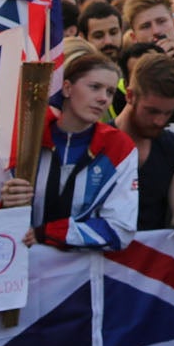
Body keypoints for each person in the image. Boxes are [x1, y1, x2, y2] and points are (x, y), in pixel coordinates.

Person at [31, 51, 138, 249]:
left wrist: (50, 233)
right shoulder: (29, 138)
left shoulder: (119, 147)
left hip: (81, 273)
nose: (103, 99)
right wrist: (7, 203)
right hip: (22, 270)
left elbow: (121, 229)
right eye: (95, 87)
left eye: (110, 92)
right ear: (67, 88)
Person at [116, 52, 174, 230]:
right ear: (130, 96)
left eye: (168, 113)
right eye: (152, 111)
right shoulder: (96, 144)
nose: (160, 121)